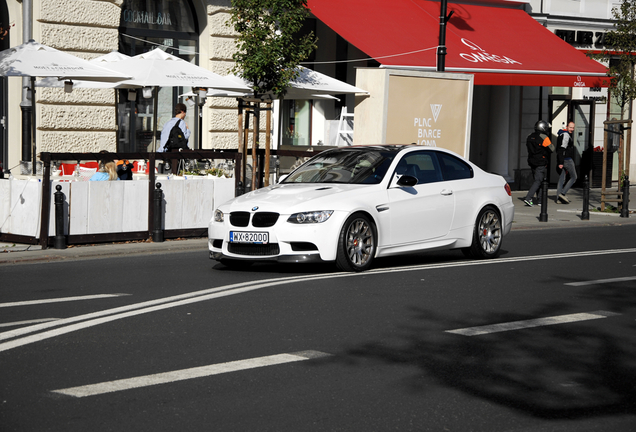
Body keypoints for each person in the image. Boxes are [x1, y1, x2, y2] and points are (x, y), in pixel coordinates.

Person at [523, 120, 552, 206]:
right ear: (543, 128)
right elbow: (552, 148)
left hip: (532, 161)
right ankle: (528, 198)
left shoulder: (529, 136)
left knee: (538, 180)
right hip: (540, 161)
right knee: (538, 180)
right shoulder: (544, 137)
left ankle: (540, 200)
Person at [159, 103, 191, 173]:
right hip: (177, 154)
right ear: (182, 111)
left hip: (165, 153)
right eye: (185, 112)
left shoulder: (167, 123)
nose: (185, 115)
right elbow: (183, 139)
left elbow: (163, 138)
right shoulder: (181, 123)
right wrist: (188, 130)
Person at [555, 121, 577, 204]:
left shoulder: (561, 134)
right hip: (567, 159)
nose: (572, 129)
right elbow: (561, 149)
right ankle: (562, 193)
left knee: (561, 179)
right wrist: (561, 162)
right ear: (567, 127)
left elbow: (558, 149)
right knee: (574, 177)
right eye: (571, 127)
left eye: (573, 128)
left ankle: (558, 198)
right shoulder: (566, 135)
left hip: (562, 159)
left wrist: (560, 161)